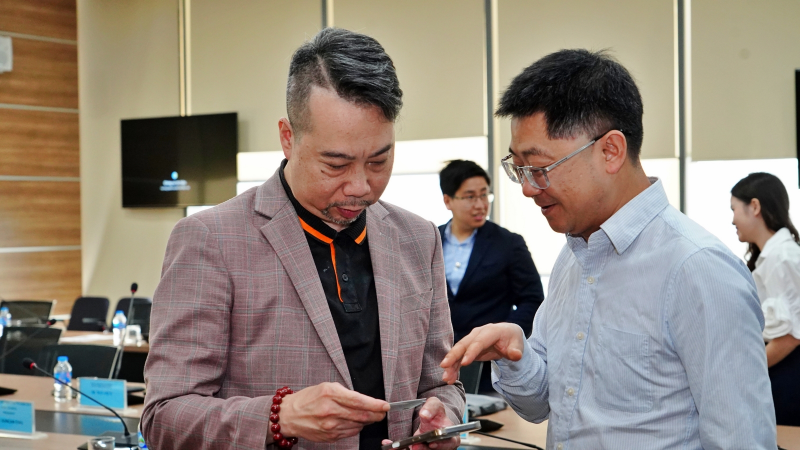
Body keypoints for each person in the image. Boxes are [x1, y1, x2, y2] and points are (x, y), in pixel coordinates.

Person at [142, 28, 464, 450]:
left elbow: (440, 384)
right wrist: (280, 417)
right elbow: (164, 416)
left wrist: (444, 416)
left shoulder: (418, 238)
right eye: (336, 164)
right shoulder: (211, 239)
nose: (360, 187)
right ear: (288, 138)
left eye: (379, 161)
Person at [440, 49, 777, 449]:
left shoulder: (698, 269)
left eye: (540, 168)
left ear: (610, 151)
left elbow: (741, 439)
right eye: (519, 169)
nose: (528, 188)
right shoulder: (574, 257)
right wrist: (516, 355)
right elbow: (544, 404)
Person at [438, 160, 544, 393]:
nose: (480, 205)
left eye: (484, 195)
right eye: (470, 197)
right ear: (448, 200)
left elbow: (532, 299)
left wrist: (503, 334)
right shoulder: (430, 241)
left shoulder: (508, 243)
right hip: (441, 361)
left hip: (491, 364)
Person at [731, 172, 800, 426]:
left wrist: (744, 373)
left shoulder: (782, 257)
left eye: (734, 209)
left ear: (755, 207)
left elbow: (790, 337)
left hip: (788, 375)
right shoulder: (772, 256)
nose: (732, 220)